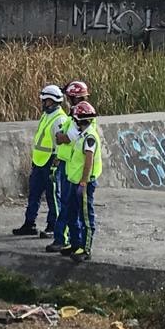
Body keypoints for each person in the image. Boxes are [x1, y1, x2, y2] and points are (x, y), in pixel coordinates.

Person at [12, 85, 67, 239]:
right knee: (34, 195)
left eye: (45, 100)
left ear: (53, 101)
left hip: (50, 163)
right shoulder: (46, 116)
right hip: (39, 162)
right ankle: (29, 224)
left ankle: (53, 226)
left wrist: (55, 165)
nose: (43, 103)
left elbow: (60, 145)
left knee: (53, 196)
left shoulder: (59, 119)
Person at [46, 80, 90, 254]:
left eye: (69, 97)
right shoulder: (75, 113)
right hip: (68, 163)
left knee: (70, 206)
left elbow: (67, 137)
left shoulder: (83, 114)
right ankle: (72, 241)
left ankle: (64, 240)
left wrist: (61, 136)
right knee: (69, 206)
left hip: (74, 168)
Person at [64, 101, 102, 263]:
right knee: (72, 213)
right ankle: (75, 243)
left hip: (83, 183)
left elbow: (88, 161)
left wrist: (84, 182)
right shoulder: (83, 135)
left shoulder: (90, 137)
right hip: (75, 181)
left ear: (80, 120)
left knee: (86, 217)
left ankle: (86, 249)